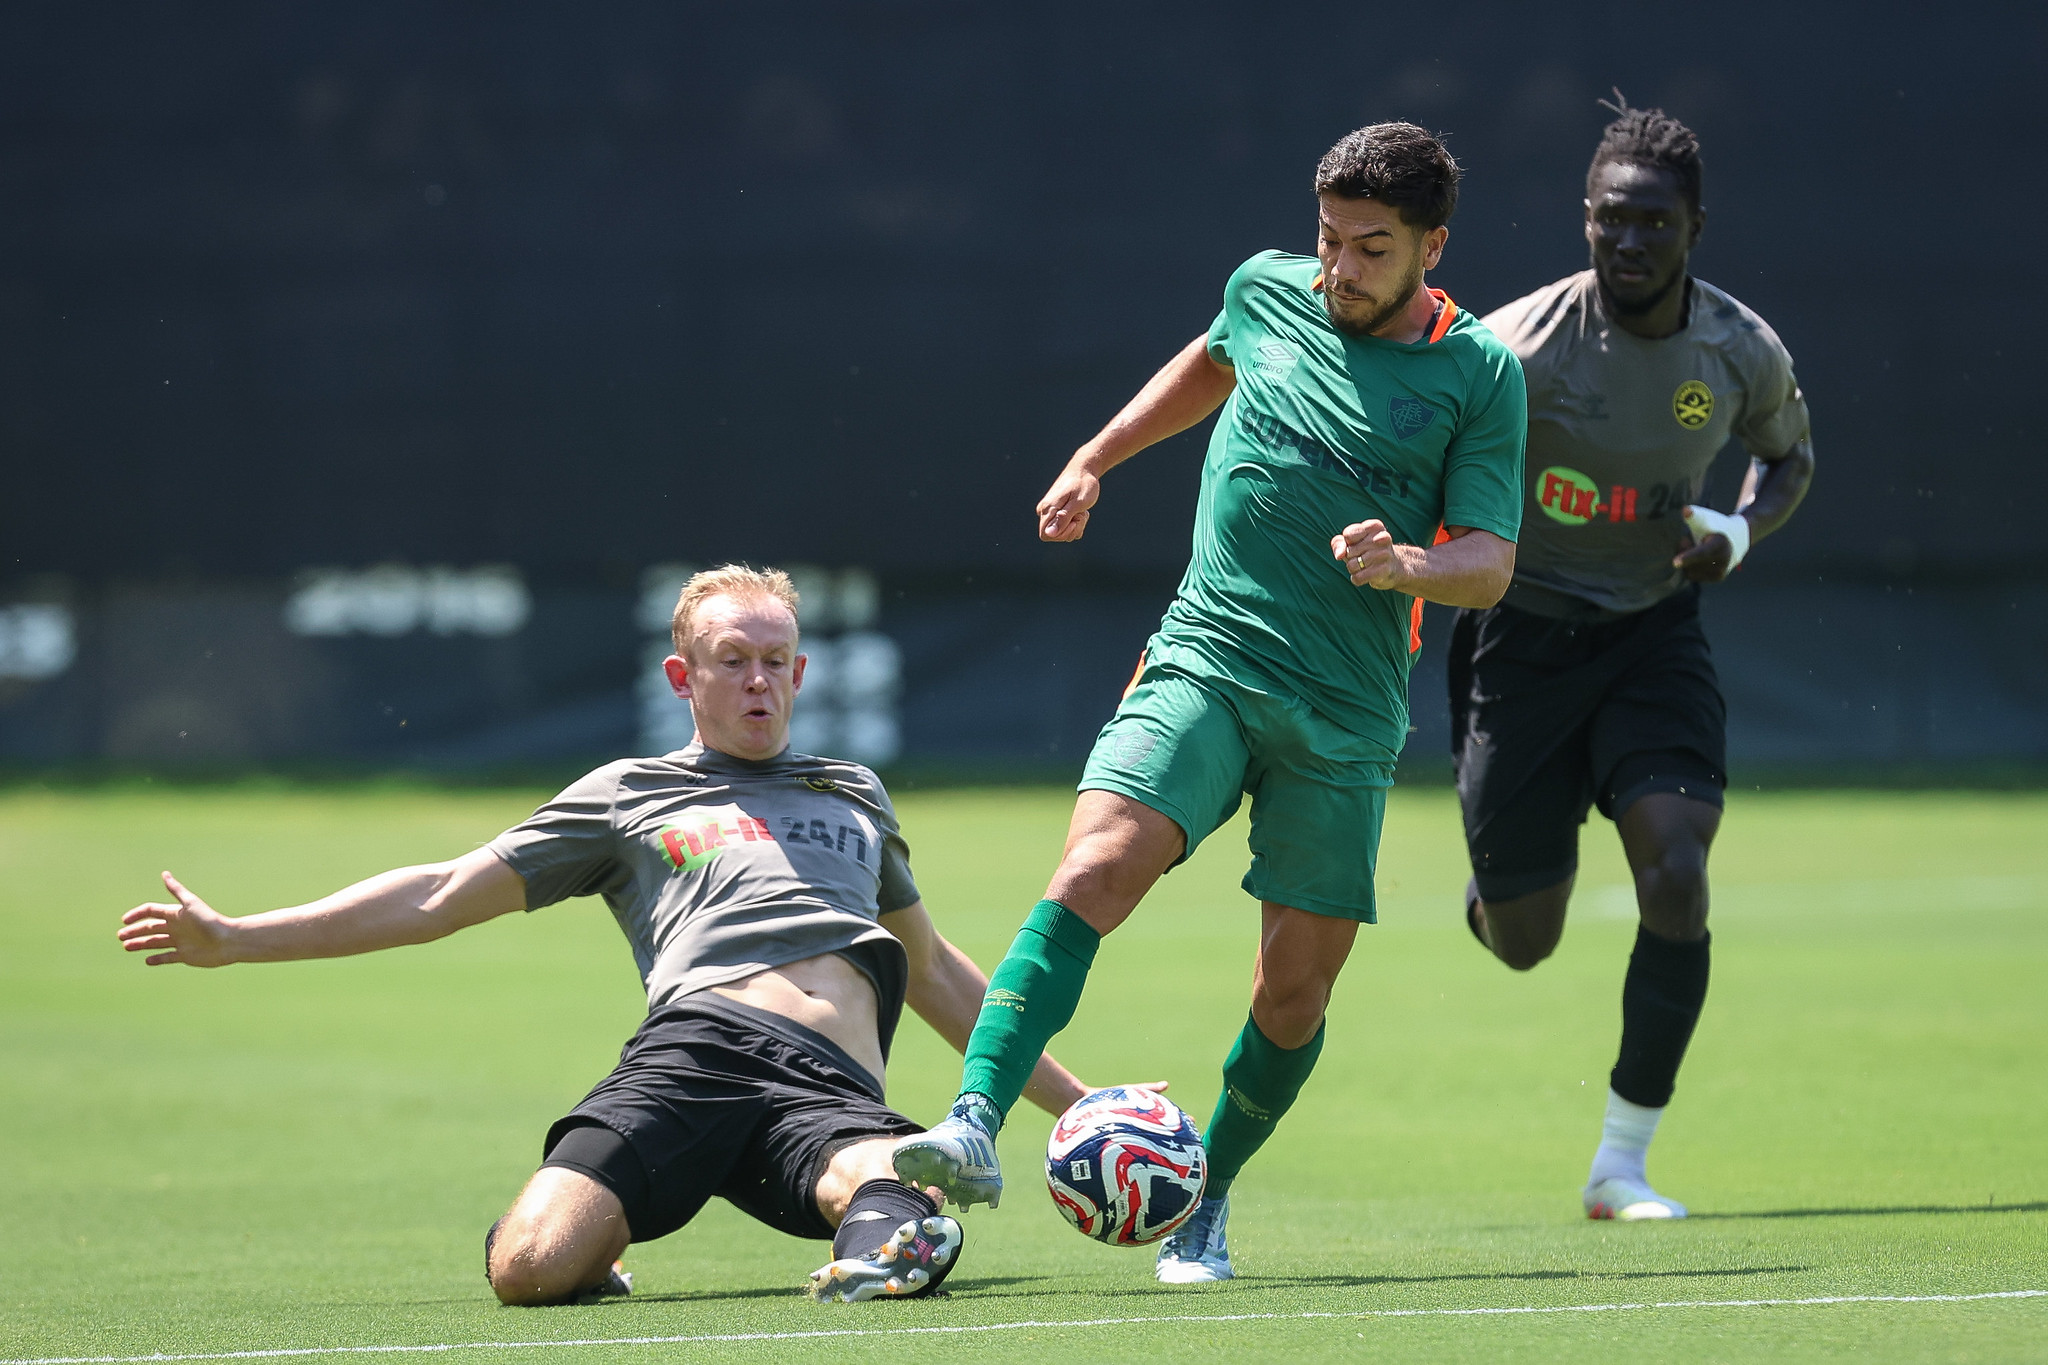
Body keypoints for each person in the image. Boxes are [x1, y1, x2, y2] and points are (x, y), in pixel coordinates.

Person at [892, 123, 1527, 1283]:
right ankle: (971, 1120)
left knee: (1292, 992)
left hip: (1343, 711)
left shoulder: (1478, 374)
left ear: (1431, 247)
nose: (1336, 267)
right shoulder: (1265, 289)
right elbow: (1209, 358)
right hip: (1207, 657)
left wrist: (1410, 568)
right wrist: (1095, 455)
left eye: (1370, 249)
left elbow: (1489, 559)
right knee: (1092, 868)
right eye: (1327, 238)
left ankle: (1205, 1195)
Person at [116, 565, 1088, 1304]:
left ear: (800, 671)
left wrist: (1078, 1107)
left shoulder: (851, 792)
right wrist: (237, 937)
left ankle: (895, 1245)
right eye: (730, 662)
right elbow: (438, 894)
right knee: (526, 1270)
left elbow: (933, 973)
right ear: (682, 674)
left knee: (882, 1186)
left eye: (773, 663)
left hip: (829, 1084)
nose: (758, 683)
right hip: (691, 1057)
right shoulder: (626, 795)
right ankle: (602, 1240)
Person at [1455, 99, 1815, 1220]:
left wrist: (1737, 533)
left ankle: (1619, 1164)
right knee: (1522, 941)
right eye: (1610, 220)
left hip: (1652, 632)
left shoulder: (1737, 349)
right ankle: (1502, 859)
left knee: (1674, 871)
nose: (1627, 241)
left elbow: (1786, 456)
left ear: (1692, 227)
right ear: (1584, 221)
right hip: (1519, 638)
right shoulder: (1517, 348)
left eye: (1651, 222)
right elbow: (1427, 461)